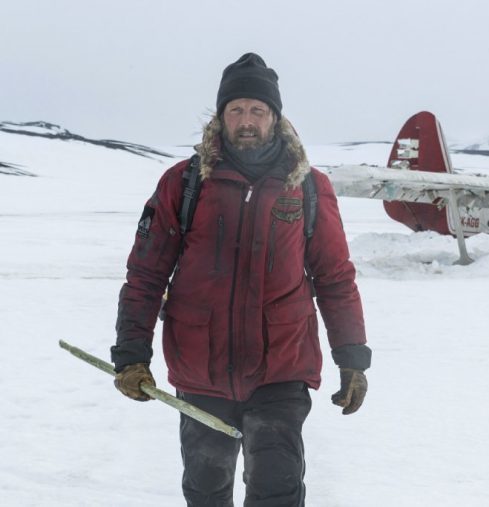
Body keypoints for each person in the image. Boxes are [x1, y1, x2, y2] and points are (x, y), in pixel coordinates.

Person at [110, 52, 371, 506]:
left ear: (275, 117)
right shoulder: (184, 183)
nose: (246, 121)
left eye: (257, 110)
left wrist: (352, 358)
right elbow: (146, 275)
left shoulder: (308, 186)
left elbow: (334, 277)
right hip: (201, 368)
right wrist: (131, 353)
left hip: (282, 367)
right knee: (206, 491)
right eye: (236, 110)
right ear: (221, 116)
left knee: (277, 491)